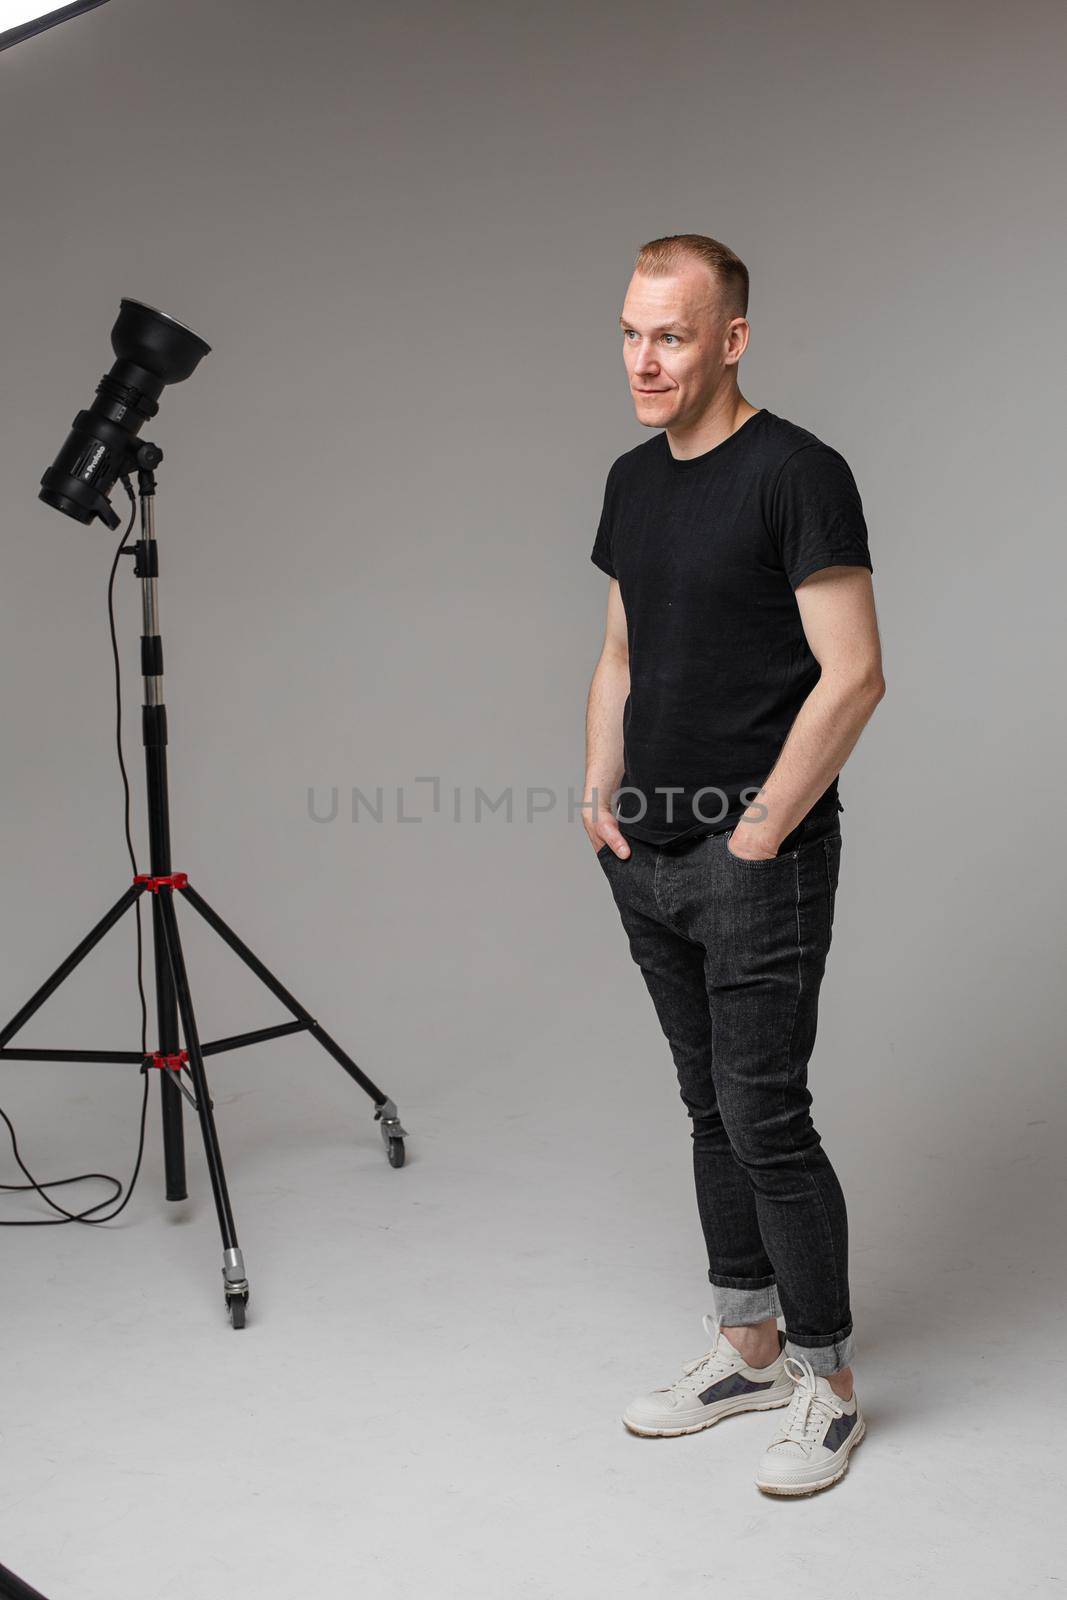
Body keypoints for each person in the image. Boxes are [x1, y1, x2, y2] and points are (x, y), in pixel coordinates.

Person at [583, 233, 885, 1497]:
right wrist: (598, 780)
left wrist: (759, 827)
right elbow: (619, 647)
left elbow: (854, 670)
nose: (643, 360)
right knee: (708, 1105)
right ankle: (747, 1344)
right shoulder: (631, 477)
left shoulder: (796, 472)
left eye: (669, 334)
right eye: (629, 332)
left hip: (752, 855)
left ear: (729, 340)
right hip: (641, 852)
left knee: (766, 1115)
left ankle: (826, 1379)